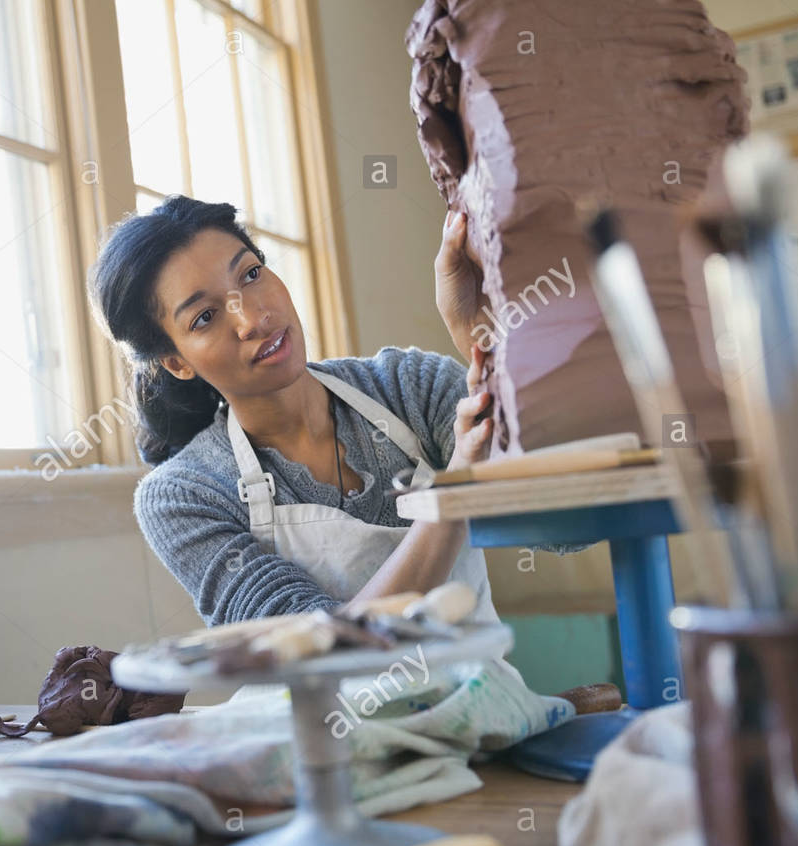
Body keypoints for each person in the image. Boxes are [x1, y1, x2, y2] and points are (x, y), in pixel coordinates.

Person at [91, 195, 500, 628]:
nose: (252, 319)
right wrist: (453, 495)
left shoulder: (410, 386)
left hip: (486, 696)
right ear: (176, 362)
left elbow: (560, 531)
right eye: (205, 316)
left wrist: (484, 342)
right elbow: (318, 647)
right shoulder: (185, 495)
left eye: (250, 274)